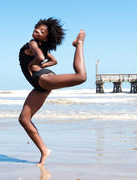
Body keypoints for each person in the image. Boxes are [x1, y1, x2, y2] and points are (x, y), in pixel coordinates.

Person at [19, 18, 87, 166]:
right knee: (24, 119)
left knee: (81, 77)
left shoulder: (32, 43)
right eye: (37, 28)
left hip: (42, 79)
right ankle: (44, 150)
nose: (37, 30)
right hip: (39, 86)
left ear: (46, 37)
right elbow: (53, 61)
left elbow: (41, 57)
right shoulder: (41, 46)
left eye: (42, 31)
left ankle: (79, 44)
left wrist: (32, 64)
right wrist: (40, 65)